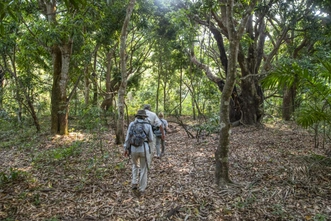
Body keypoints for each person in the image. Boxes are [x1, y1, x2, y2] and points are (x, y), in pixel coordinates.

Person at [124, 109, 154, 195]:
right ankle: (142, 188)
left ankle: (134, 182)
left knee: (135, 165)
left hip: (133, 149)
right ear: (144, 117)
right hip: (144, 149)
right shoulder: (147, 125)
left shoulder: (132, 124)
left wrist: (126, 148)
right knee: (144, 168)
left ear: (137, 116)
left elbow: (127, 138)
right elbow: (151, 139)